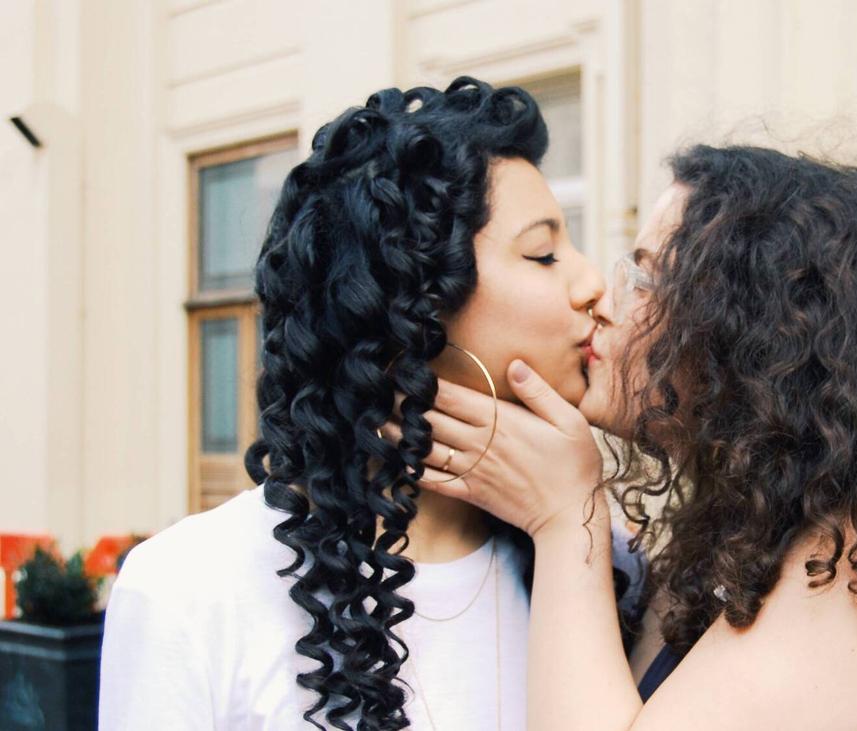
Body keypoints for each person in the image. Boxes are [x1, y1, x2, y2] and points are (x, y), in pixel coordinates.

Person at [410, 144, 857, 730]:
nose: (604, 299)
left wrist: (569, 520)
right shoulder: (751, 533)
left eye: (648, 278)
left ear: (757, 331)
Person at [100, 78, 639, 731]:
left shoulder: (598, 560)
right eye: (543, 253)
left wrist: (574, 521)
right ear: (407, 312)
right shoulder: (186, 590)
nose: (592, 283)